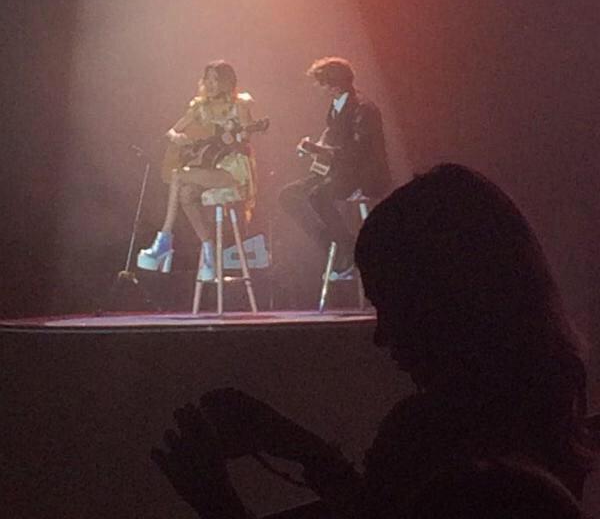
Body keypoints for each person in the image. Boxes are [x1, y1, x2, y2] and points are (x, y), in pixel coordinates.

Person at [150, 164, 595, 518]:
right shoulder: (542, 409)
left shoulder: (436, 446)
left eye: (391, 305)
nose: (381, 336)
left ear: (445, 301)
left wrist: (218, 502)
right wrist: (301, 448)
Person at [138, 60, 257, 279]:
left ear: (227, 82)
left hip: (233, 171)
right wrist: (180, 138)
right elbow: (172, 131)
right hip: (210, 167)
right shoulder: (200, 106)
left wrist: (236, 138)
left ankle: (164, 240)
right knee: (186, 194)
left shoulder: (239, 105)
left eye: (216, 79)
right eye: (207, 79)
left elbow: (246, 138)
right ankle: (209, 251)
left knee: (179, 175)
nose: (210, 84)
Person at [279, 57, 391, 277]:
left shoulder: (363, 108)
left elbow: (358, 152)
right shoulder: (336, 106)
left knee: (318, 195)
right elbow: (332, 137)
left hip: (365, 175)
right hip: (340, 172)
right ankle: (336, 242)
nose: (317, 88)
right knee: (289, 195)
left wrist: (323, 151)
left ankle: (347, 249)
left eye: (321, 84)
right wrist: (315, 148)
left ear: (334, 86)